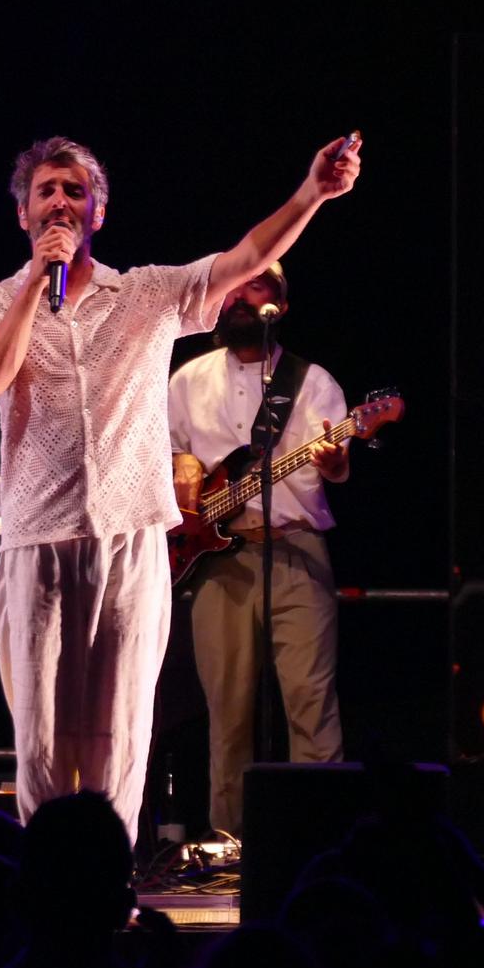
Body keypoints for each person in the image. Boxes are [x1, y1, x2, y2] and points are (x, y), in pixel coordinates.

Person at [0, 134, 360, 841]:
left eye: (75, 190)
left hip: (130, 537)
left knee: (119, 733)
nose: (60, 201)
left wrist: (313, 194)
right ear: (23, 213)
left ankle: (106, 878)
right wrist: (34, 282)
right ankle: (45, 886)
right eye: (46, 191)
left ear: (99, 213)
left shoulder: (144, 294)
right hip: (39, 541)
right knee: (43, 739)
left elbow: (243, 259)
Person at [168, 261, 346, 837]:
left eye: (258, 285)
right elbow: (165, 462)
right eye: (235, 286)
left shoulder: (313, 381)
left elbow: (334, 464)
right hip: (218, 562)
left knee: (310, 707)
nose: (242, 296)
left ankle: (321, 842)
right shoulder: (187, 381)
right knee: (229, 717)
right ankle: (230, 849)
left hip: (296, 551)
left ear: (280, 304)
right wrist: (187, 485)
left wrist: (337, 463)